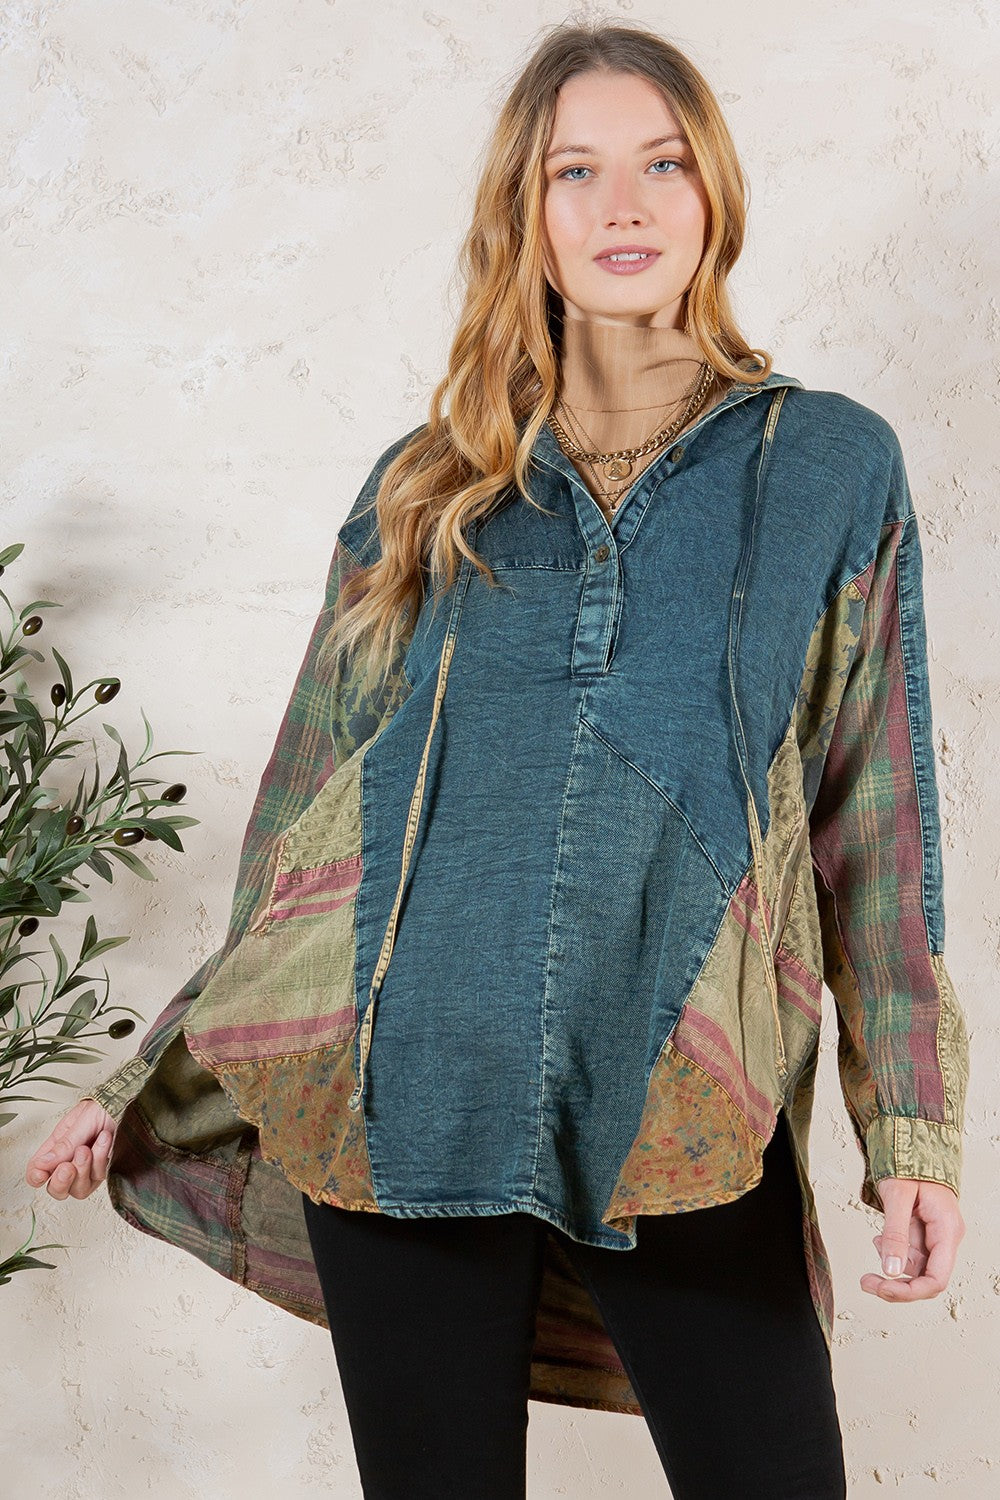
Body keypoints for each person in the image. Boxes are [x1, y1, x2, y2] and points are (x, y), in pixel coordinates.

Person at [26, 20, 969, 1500]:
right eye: (574, 172)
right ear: (524, 213)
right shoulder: (426, 484)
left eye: (662, 164)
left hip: (679, 1095)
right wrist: (150, 1064)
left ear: (714, 193)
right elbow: (308, 823)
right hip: (402, 1093)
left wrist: (908, 1131)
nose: (623, 206)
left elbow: (874, 823)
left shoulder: (828, 465)